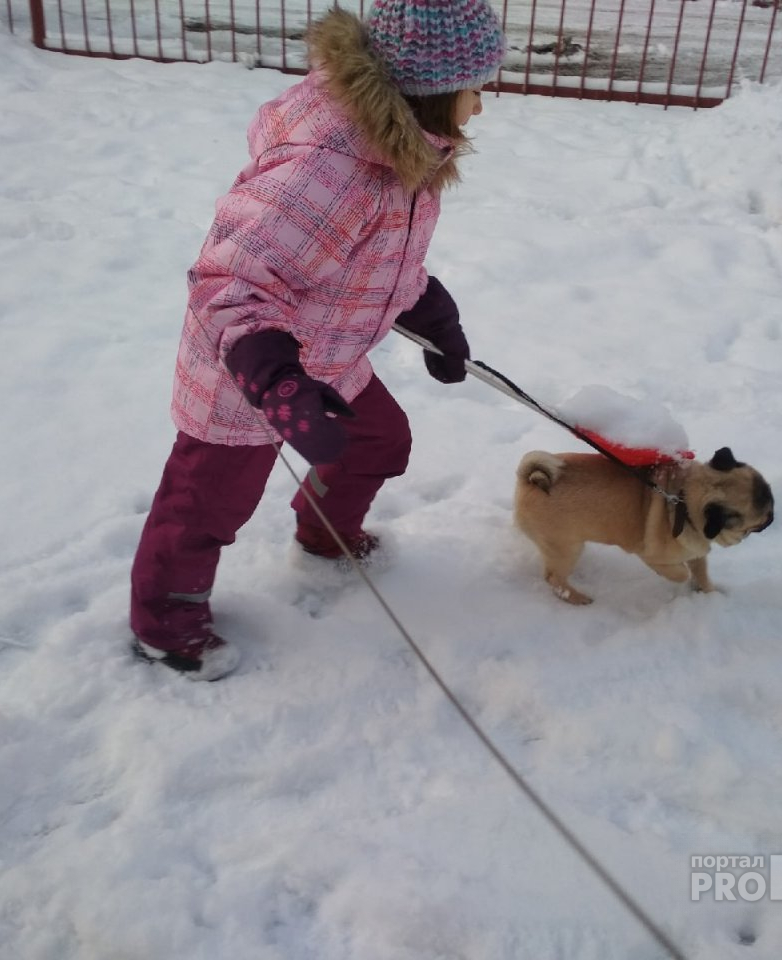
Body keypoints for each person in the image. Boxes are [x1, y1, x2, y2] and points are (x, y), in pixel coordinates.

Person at [129, 0, 507, 680]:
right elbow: (229, 281)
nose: (481, 108)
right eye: (478, 89)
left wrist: (435, 320)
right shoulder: (330, 170)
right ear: (434, 88)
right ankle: (166, 621)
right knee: (205, 506)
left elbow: (380, 258)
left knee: (380, 439)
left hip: (327, 352)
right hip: (244, 371)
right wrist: (276, 383)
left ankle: (323, 532)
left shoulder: (402, 153)